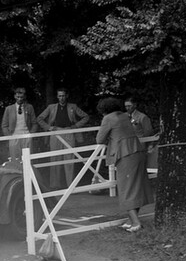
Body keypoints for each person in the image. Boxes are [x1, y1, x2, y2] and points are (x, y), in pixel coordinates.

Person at [95, 97, 154, 232]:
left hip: (125, 155)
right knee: (137, 186)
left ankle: (136, 223)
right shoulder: (125, 116)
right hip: (137, 151)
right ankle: (130, 220)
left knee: (126, 188)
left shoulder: (108, 118)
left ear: (104, 110)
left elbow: (99, 139)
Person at [37, 88, 90, 189]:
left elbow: (86, 117)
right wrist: (49, 128)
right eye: (59, 96)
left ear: (67, 96)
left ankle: (71, 185)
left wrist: (76, 126)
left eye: (63, 96)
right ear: (57, 97)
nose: (61, 98)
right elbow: (39, 118)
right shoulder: (51, 107)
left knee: (69, 159)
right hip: (55, 132)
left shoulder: (73, 107)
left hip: (69, 132)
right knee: (55, 159)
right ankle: (54, 185)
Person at [1, 87, 38, 163]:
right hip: (14, 136)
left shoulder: (29, 107)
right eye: (18, 97)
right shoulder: (9, 109)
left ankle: (27, 174)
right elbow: (4, 125)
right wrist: (9, 137)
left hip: (26, 136)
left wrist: (31, 134)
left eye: (21, 97)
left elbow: (34, 123)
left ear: (24, 97)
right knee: (15, 159)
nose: (20, 99)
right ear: (15, 96)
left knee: (27, 159)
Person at [125, 97, 157, 170]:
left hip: (139, 144)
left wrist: (146, 144)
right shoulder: (124, 116)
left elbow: (148, 131)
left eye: (129, 106)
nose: (127, 108)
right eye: (126, 106)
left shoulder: (142, 117)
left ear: (135, 105)